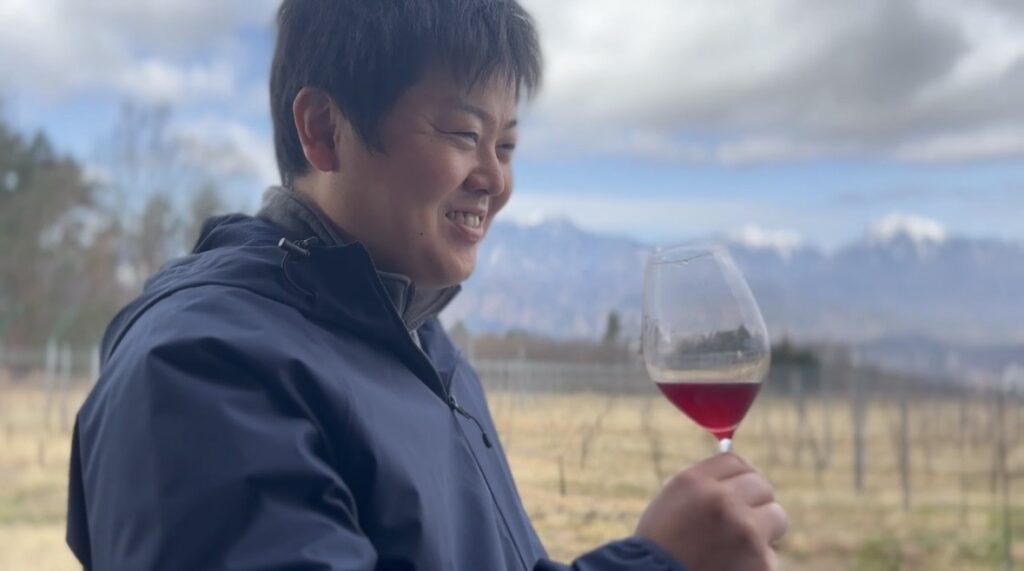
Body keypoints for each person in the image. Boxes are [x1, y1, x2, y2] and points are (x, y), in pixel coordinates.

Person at [66, 0, 788, 569]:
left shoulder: (420, 342)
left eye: (507, 144)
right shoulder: (202, 371)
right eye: (464, 135)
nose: (496, 180)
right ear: (325, 129)